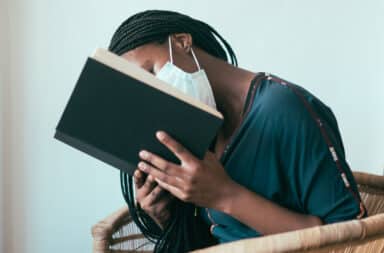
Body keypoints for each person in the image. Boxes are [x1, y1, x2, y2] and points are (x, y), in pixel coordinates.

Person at [109, 10, 367, 253]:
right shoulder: (196, 133)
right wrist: (165, 216)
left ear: (181, 42)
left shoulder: (282, 109)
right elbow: (217, 239)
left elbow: (349, 239)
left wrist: (225, 194)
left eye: (150, 73)